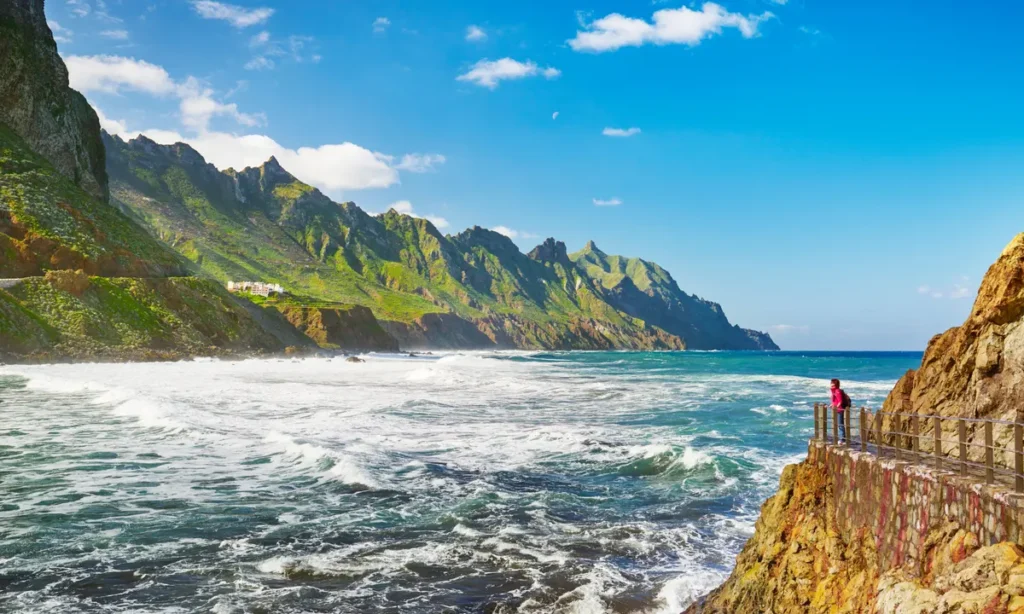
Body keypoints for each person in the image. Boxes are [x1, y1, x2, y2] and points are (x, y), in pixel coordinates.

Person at [830, 378, 850, 444]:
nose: (831, 386)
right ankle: (842, 438)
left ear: (836, 385)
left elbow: (840, 401)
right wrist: (831, 405)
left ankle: (842, 439)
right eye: (831, 385)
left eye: (833, 385)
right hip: (837, 409)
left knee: (840, 424)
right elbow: (835, 401)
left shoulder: (837, 391)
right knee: (839, 424)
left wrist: (836, 407)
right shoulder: (834, 391)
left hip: (840, 409)